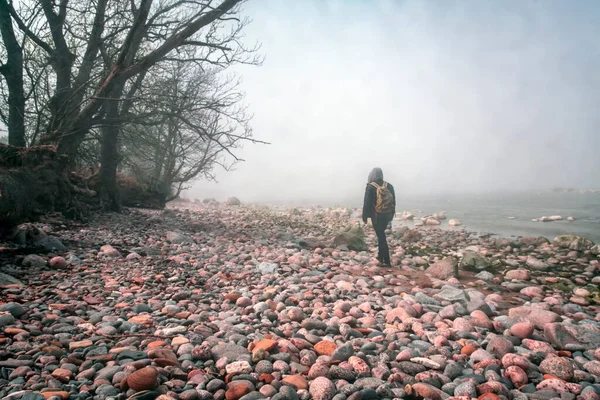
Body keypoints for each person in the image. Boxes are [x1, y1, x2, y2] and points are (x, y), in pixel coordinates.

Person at [362, 167, 396, 266]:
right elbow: (393, 201)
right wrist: (391, 216)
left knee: (381, 236)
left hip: (377, 216)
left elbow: (367, 203)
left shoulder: (370, 186)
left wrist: (365, 217)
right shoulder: (389, 186)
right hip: (387, 214)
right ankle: (381, 256)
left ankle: (386, 260)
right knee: (381, 235)